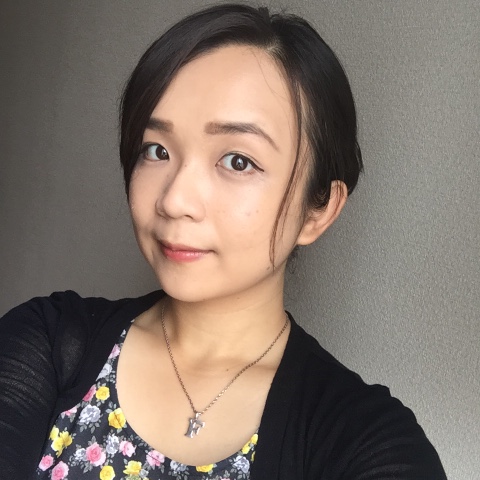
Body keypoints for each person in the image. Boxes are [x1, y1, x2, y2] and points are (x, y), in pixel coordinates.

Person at [0, 4, 446, 479]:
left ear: (318, 211)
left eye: (238, 161)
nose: (174, 200)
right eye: (157, 150)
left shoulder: (364, 439)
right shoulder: (48, 342)